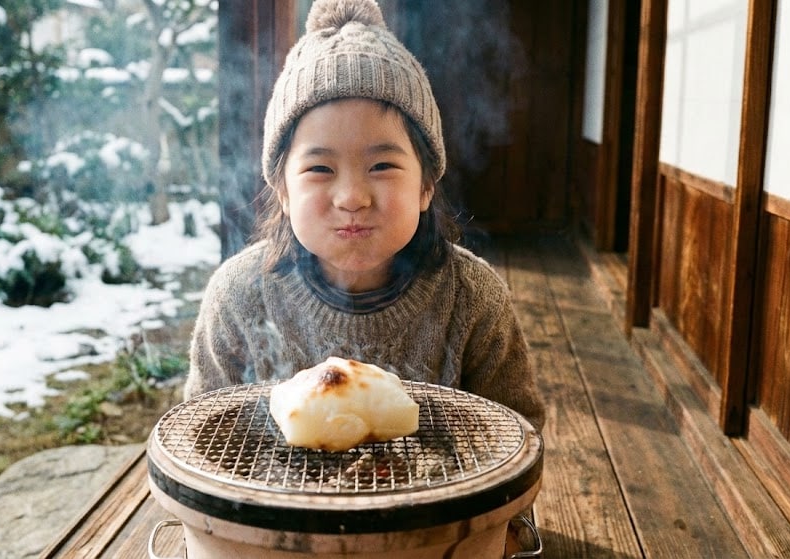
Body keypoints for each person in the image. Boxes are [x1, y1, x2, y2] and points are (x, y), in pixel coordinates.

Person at [183, 0, 545, 432]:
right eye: (320, 169)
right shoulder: (239, 296)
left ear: (426, 184)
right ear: (282, 190)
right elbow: (203, 435)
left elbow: (517, 436)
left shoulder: (471, 297)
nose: (352, 198)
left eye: (381, 166)